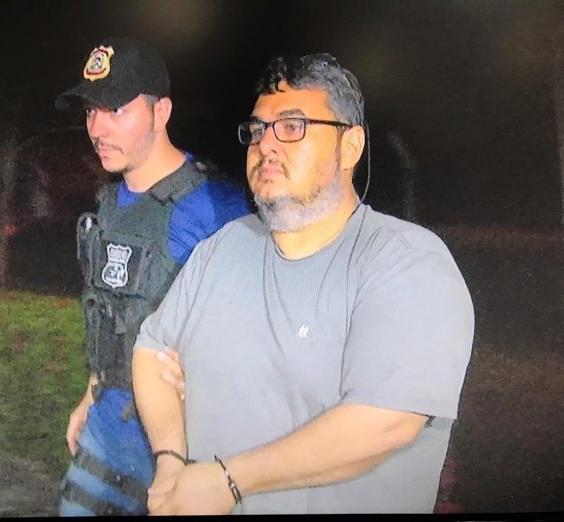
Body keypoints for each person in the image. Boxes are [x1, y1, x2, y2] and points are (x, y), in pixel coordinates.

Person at [132, 52, 474, 514]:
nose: (266, 145)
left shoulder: (406, 262)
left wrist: (228, 480)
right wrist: (171, 461)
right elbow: (152, 352)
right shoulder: (222, 249)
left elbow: (384, 422)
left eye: (293, 127)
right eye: (257, 130)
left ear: (350, 147)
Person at [54, 36, 252, 516]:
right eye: (91, 112)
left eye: (116, 110)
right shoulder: (107, 206)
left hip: (186, 447)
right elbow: (110, 312)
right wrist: (91, 393)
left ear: (161, 112)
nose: (97, 128)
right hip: (107, 439)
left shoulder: (217, 208)